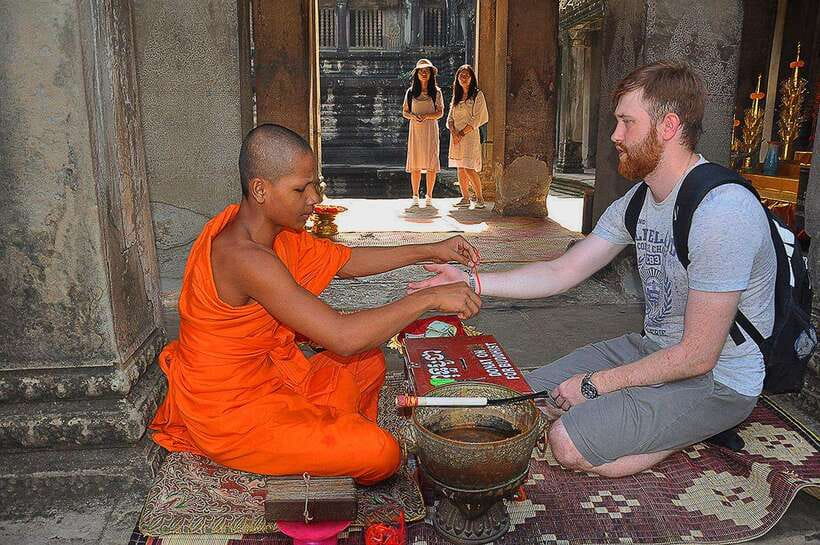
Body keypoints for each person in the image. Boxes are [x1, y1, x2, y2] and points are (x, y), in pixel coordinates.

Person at [407, 61, 776, 478]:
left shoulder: (722, 211)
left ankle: (688, 430)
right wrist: (473, 281)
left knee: (567, 443)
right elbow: (562, 271)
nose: (615, 137)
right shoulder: (639, 200)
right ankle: (645, 413)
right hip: (653, 349)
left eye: (626, 123)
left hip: (719, 377)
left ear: (668, 126)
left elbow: (697, 356)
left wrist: (596, 384)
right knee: (520, 398)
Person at [150, 124, 481, 485]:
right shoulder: (243, 257)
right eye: (300, 189)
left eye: (314, 185)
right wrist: (429, 298)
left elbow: (346, 262)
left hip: (273, 378)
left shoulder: (277, 234)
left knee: (367, 362)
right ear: (260, 189)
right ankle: (330, 443)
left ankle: (326, 442)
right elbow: (341, 336)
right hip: (232, 412)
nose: (315, 199)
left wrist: (433, 248)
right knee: (382, 453)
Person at [402, 59, 444, 208]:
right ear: (417, 74)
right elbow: (405, 112)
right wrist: (413, 116)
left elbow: (440, 112)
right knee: (415, 163)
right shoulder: (411, 92)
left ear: (431, 73)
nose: (424, 73)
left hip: (430, 129)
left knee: (431, 162)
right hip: (415, 130)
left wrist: (426, 116)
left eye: (426, 70)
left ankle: (429, 196)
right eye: (421, 71)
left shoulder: (436, 92)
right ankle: (414, 195)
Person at [446, 64, 489, 209]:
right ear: (457, 78)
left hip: (469, 136)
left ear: (472, 78)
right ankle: (465, 197)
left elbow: (477, 118)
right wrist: (454, 132)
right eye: (461, 76)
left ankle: (480, 198)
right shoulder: (456, 96)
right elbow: (450, 118)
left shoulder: (478, 95)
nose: (463, 78)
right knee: (460, 167)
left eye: (466, 76)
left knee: (469, 168)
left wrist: (461, 133)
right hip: (456, 136)